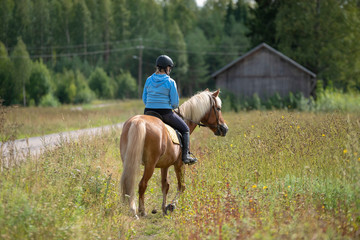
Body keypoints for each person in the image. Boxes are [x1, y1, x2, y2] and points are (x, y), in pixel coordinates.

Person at [142, 55, 197, 165]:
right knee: (185, 129)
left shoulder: (148, 80)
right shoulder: (171, 82)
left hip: (148, 112)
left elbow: (144, 99)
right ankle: (185, 156)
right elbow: (175, 103)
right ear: (167, 68)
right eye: (169, 68)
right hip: (165, 113)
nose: (170, 70)